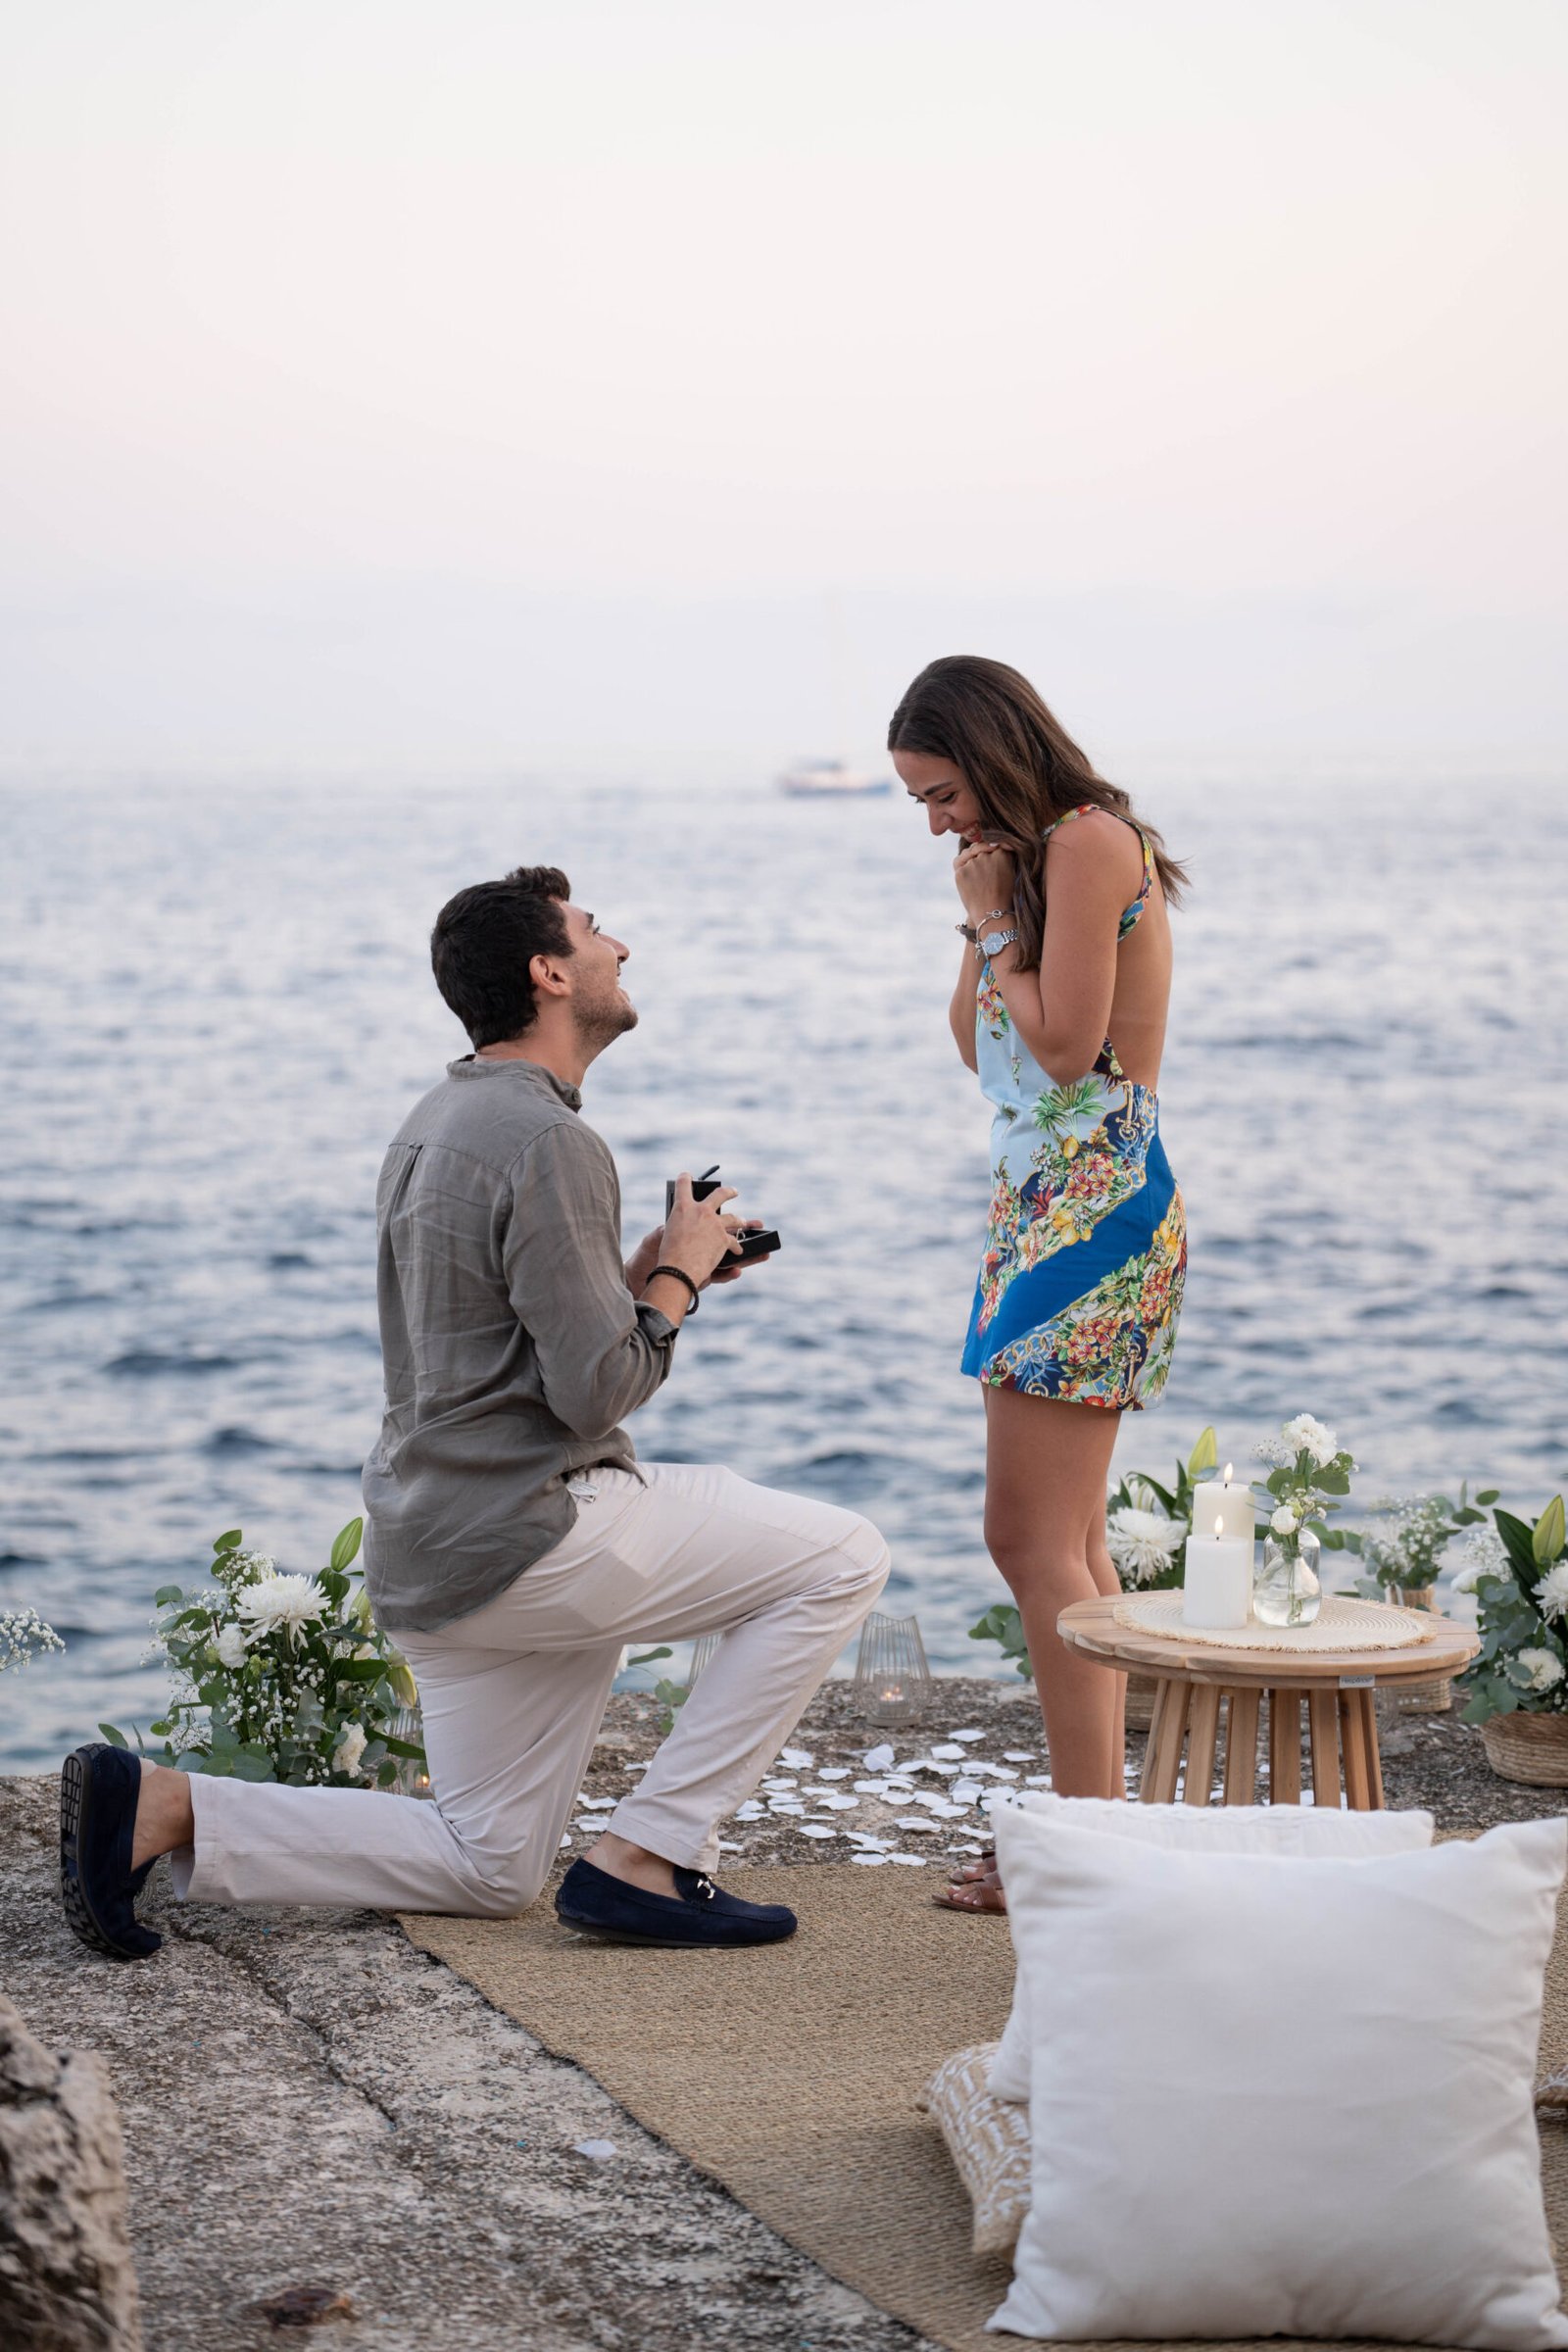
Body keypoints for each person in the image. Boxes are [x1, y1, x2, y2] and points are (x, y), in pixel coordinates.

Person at [61, 865, 890, 1959]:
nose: (621, 950)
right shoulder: (551, 1139)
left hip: (434, 1554)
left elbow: (503, 1332)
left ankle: (169, 1809)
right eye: (598, 933)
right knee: (842, 1555)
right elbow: (594, 1389)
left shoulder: (436, 1118)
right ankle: (652, 1852)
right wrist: (677, 1281)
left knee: (487, 1865)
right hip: (534, 1538)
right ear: (551, 972)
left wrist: (640, 1272)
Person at [888, 659, 1187, 1911]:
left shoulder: (1089, 842)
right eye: (920, 803)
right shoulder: (1023, 867)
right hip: (1038, 1208)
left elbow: (1065, 1053)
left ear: (995, 753)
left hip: (1093, 1205)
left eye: (942, 791)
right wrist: (981, 921)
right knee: (1061, 1543)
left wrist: (999, 924)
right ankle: (1095, 1834)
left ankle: (1081, 1846)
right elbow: (981, 1049)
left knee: (1027, 1538)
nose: (937, 821)